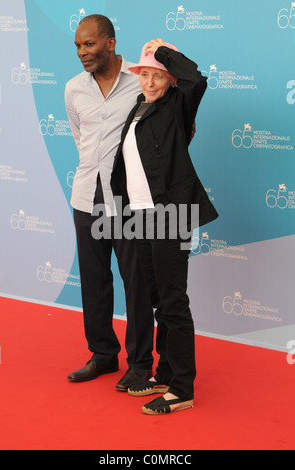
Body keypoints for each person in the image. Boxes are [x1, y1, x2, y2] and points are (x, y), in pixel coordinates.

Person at [111, 39, 218, 414]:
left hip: (169, 213)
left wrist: (164, 54)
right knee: (159, 301)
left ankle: (183, 389)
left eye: (158, 76)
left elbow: (197, 81)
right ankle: (166, 371)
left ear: (170, 80)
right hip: (140, 215)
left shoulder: (176, 105)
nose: (150, 82)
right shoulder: (139, 108)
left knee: (173, 302)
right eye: (145, 75)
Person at [64, 14, 154, 391]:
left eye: (90, 44)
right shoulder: (73, 89)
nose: (83, 52)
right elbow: (79, 137)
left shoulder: (141, 82)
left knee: (137, 282)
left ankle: (140, 363)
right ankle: (102, 354)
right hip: (87, 195)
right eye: (78, 46)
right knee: (94, 280)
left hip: (129, 199)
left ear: (111, 43)